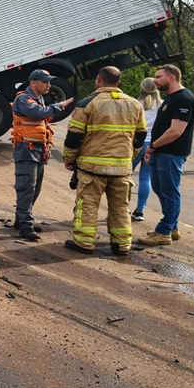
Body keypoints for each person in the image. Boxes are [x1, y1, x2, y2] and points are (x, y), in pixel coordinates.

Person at [61, 67, 147, 256]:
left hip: (92, 169)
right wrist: (130, 157)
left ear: (98, 80)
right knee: (121, 207)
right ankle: (122, 244)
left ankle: (84, 243)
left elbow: (74, 137)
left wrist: (69, 159)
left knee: (88, 205)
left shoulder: (87, 103)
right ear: (119, 82)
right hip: (122, 169)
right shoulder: (135, 104)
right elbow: (140, 136)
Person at [138, 64, 194, 247]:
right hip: (161, 152)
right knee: (159, 188)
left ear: (172, 77)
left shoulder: (183, 99)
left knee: (170, 192)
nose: (155, 80)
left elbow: (175, 131)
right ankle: (172, 227)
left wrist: (153, 146)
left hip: (171, 153)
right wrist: (154, 149)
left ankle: (164, 231)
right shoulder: (171, 98)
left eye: (159, 77)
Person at [12, 69, 74, 241]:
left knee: (34, 189)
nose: (49, 85)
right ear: (33, 83)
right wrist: (58, 106)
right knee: (27, 188)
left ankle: (21, 220)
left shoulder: (38, 99)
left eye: (49, 82)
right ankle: (25, 226)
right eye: (45, 82)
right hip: (26, 151)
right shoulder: (24, 99)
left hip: (37, 151)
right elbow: (38, 113)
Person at [131, 78, 162, 221]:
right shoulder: (162, 105)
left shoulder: (136, 104)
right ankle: (140, 210)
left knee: (125, 177)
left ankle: (122, 207)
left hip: (137, 143)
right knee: (145, 177)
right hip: (153, 144)